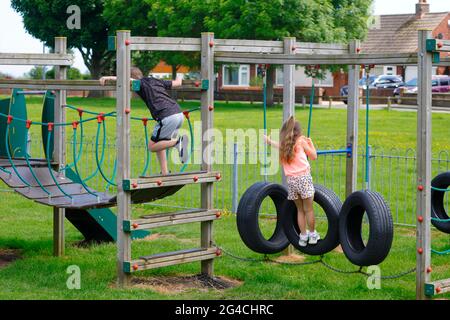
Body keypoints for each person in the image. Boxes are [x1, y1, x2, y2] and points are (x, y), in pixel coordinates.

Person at [100, 67, 189, 175]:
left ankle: (177, 143)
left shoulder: (140, 83)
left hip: (166, 116)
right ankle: (165, 171)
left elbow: (125, 79)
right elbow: (177, 83)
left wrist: (107, 77)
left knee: (151, 147)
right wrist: (180, 75)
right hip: (179, 113)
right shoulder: (156, 81)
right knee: (159, 142)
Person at [265, 116, 319, 247]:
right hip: (304, 179)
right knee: (309, 210)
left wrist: (268, 141)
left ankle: (303, 236)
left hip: (292, 182)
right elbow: (313, 156)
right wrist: (310, 143)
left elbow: (276, 145)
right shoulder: (301, 141)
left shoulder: (284, 145)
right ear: (298, 132)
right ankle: (312, 235)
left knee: (300, 210)